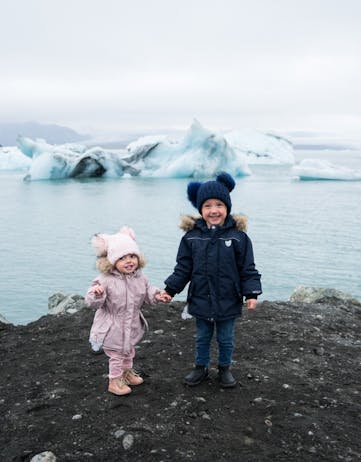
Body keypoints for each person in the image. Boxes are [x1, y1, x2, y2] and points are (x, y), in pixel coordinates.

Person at [164, 172, 262, 388]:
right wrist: (170, 289)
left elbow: (248, 268)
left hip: (229, 298)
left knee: (226, 338)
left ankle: (224, 368)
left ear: (227, 207)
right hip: (201, 297)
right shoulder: (191, 238)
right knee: (202, 337)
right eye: (207, 205)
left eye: (219, 204)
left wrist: (251, 293)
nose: (214, 210)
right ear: (200, 209)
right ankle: (201, 367)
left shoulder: (238, 237)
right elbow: (183, 268)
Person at [86, 226, 171, 396]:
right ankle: (114, 381)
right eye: (122, 258)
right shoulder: (105, 280)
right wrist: (96, 294)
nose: (129, 261)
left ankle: (126, 373)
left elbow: (147, 292)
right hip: (112, 326)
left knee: (129, 350)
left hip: (131, 323)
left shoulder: (140, 277)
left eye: (132, 256)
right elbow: (91, 302)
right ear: (112, 261)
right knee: (117, 355)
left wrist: (157, 295)